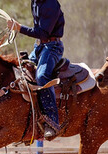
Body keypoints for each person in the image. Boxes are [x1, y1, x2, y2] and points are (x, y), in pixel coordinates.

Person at [7, 0, 65, 139]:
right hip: (39, 47)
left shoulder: (51, 4)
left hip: (52, 47)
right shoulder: (35, 2)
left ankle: (52, 122)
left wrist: (19, 28)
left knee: (42, 77)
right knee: (21, 70)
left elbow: (44, 33)